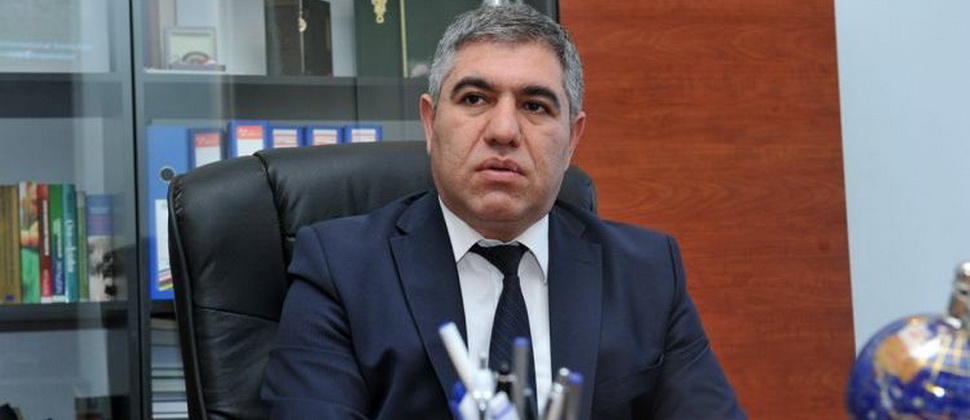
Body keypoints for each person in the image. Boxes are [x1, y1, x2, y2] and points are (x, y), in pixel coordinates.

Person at [260, 4, 744, 419]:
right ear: (430, 122)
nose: (504, 131)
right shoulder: (341, 268)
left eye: (535, 106)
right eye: (475, 99)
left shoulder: (646, 273)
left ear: (572, 138)